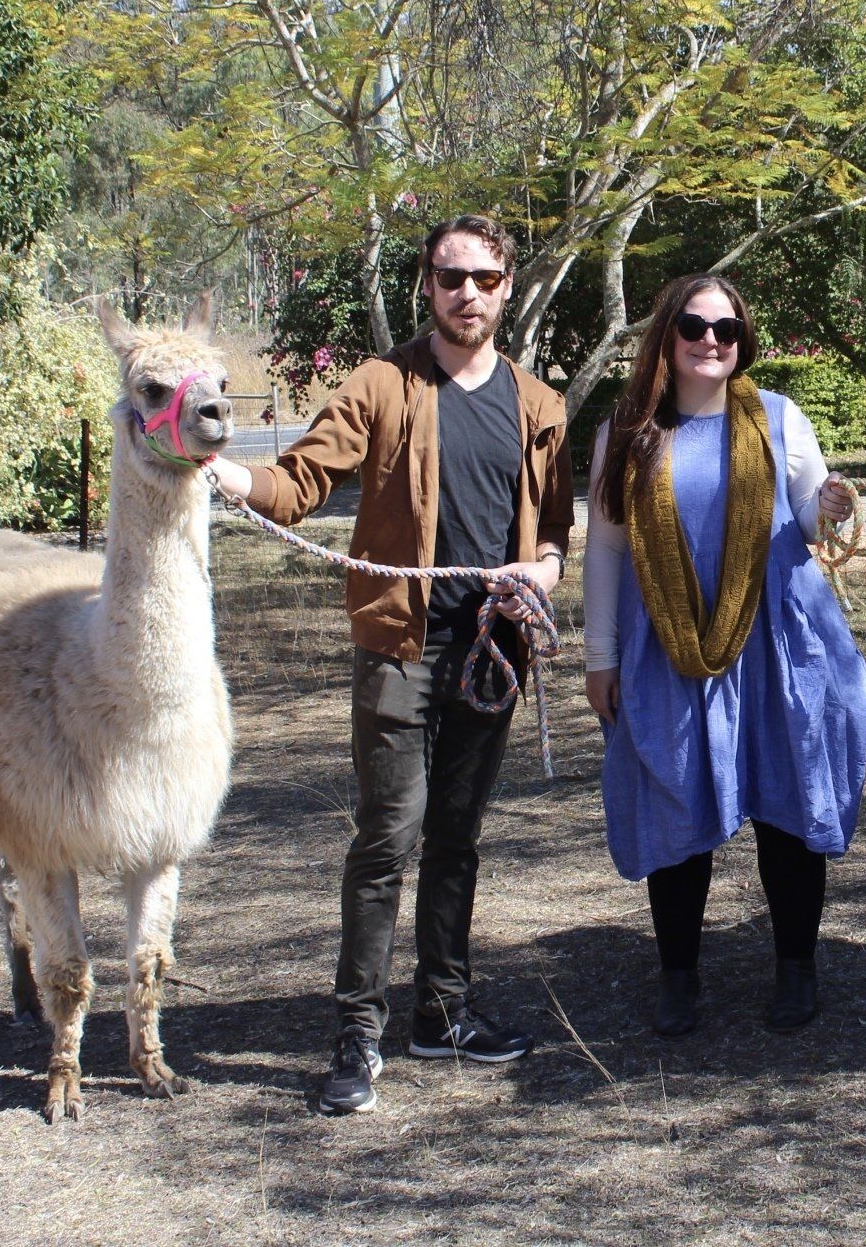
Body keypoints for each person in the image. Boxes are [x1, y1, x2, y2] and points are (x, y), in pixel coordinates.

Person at [209, 215, 572, 1116]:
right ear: (427, 283)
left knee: (456, 839)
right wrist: (226, 474)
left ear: (508, 287)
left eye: (485, 278)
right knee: (387, 839)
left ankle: (441, 1013)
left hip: (492, 651)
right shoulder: (381, 386)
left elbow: (554, 531)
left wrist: (545, 572)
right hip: (399, 649)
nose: (467, 294)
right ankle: (357, 1033)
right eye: (451, 277)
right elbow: (298, 483)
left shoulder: (541, 406)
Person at [582, 274, 866, 1037]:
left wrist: (830, 506)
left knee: (788, 806)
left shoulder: (778, 417)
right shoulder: (627, 432)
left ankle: (797, 970)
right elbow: (606, 549)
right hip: (671, 647)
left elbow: (807, 519)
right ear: (666, 334)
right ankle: (678, 978)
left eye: (727, 329)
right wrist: (599, 656)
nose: (710, 340)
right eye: (693, 325)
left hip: (775, 642)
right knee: (676, 802)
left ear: (743, 340)